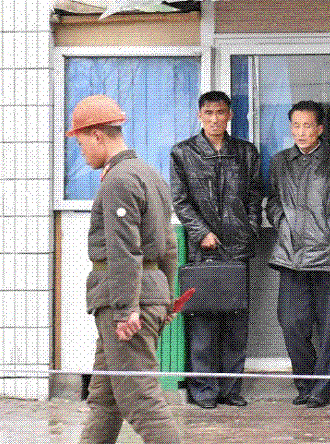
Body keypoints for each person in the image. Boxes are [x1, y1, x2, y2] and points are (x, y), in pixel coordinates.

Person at [69, 95, 182, 444]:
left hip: (127, 302)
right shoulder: (150, 174)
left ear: (97, 135)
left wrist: (125, 309)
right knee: (104, 399)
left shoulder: (118, 180)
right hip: (146, 294)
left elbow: (124, 250)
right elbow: (169, 245)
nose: (81, 152)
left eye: (81, 143)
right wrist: (167, 298)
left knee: (141, 400)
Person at [267, 100, 330, 408]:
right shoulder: (280, 162)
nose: (301, 132)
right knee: (291, 323)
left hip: (329, 257)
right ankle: (305, 383)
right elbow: (273, 201)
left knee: (328, 328)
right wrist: (282, 223)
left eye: (307, 125)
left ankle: (321, 390)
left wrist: (324, 230)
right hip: (291, 256)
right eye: (296, 125)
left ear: (320, 128)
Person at [170, 90, 263, 409]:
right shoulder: (183, 153)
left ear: (230, 115)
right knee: (204, 321)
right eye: (208, 113)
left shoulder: (245, 152)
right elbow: (180, 200)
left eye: (220, 113)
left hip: (238, 247)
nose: (214, 119)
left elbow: (255, 196)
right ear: (199, 116)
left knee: (236, 321)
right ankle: (204, 390)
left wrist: (249, 228)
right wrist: (201, 232)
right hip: (203, 250)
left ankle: (230, 389)